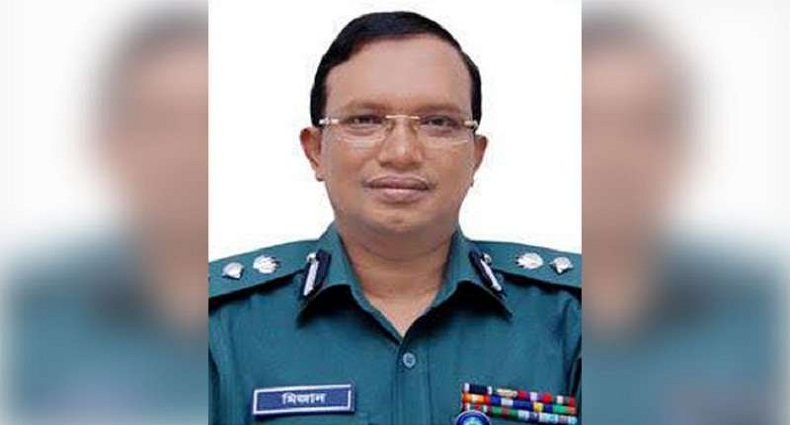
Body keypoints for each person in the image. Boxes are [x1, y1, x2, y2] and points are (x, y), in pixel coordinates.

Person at [210, 11, 581, 425]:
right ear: (315, 150)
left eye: (438, 122)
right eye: (364, 120)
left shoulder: (574, 318)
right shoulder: (218, 328)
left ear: (475, 156)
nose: (401, 153)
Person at [8, 9, 207, 423]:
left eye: (206, 123)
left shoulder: (281, 309)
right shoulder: (33, 314)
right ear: (110, 143)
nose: (187, 153)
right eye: (160, 123)